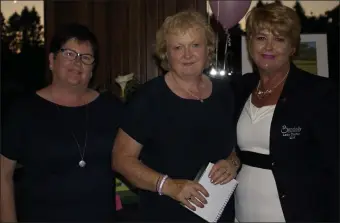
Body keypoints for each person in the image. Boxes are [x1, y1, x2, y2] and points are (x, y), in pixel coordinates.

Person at [112, 10, 240, 222]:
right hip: (165, 214)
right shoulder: (149, 98)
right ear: (166, 54)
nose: (187, 55)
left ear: (208, 49)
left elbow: (233, 149)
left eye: (195, 45)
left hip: (221, 215)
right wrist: (169, 185)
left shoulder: (224, 92)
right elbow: (121, 160)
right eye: (178, 47)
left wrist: (232, 164)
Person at [0, 23, 123, 222]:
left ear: (92, 69)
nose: (77, 63)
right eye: (69, 54)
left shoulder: (111, 108)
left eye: (86, 58)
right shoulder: (23, 111)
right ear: (51, 60)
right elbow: (3, 174)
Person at [231, 3, 339, 222]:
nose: (268, 47)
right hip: (242, 213)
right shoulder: (239, 89)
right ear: (249, 42)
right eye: (261, 37)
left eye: (279, 39)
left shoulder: (320, 93)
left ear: (293, 47)